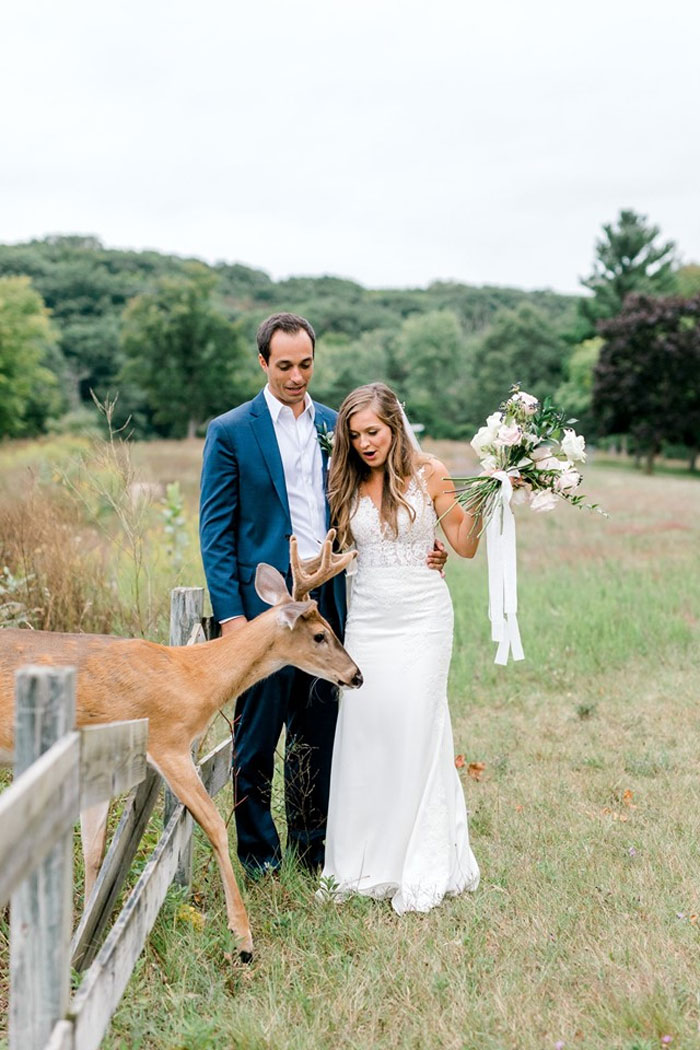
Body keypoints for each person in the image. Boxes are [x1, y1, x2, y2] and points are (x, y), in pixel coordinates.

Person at [199, 315, 447, 877]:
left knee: (318, 730)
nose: (296, 376)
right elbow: (215, 531)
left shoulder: (337, 426)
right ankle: (260, 855)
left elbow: (386, 501)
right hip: (263, 612)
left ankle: (313, 850)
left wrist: (431, 547)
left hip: (326, 606)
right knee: (257, 736)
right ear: (262, 362)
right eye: (284, 365)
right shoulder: (232, 430)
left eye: (305, 364)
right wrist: (233, 616)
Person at [320, 382, 481, 912]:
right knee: (368, 730)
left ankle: (416, 857)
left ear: (394, 425)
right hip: (368, 620)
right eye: (356, 435)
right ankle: (364, 859)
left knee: (416, 723)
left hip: (423, 617)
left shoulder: (430, 472)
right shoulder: (342, 480)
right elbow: (342, 551)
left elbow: (463, 542)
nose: (366, 443)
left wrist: (491, 491)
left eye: (374, 432)